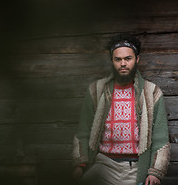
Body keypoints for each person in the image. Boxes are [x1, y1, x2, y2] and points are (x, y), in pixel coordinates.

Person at [72, 34, 170, 185]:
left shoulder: (151, 92)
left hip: (136, 167)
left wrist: (155, 172)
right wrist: (79, 164)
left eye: (128, 58)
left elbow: (161, 137)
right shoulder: (96, 90)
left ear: (137, 59)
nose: (123, 63)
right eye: (118, 59)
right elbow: (83, 131)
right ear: (112, 61)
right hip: (103, 164)